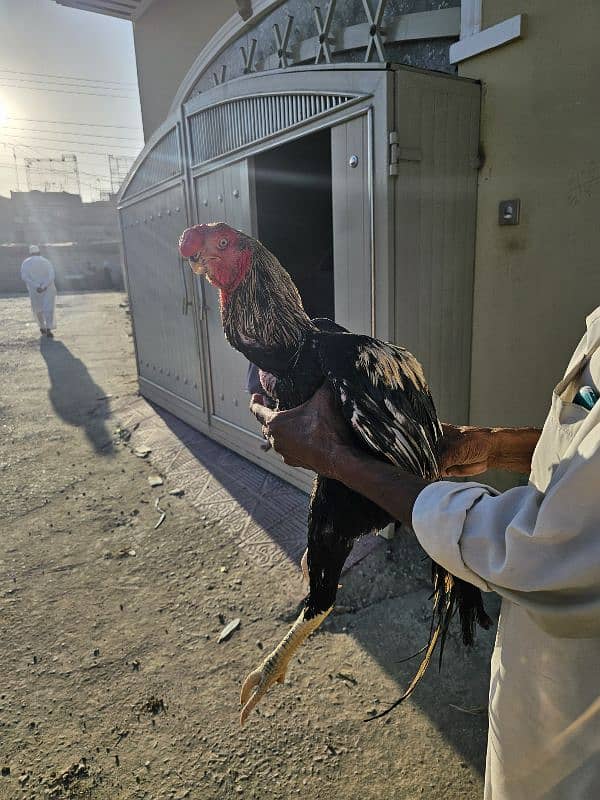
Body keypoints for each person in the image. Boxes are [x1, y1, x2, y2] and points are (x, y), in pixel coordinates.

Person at [250, 307, 600, 800]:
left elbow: (541, 554)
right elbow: (585, 447)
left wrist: (333, 457)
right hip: (538, 667)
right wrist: (497, 447)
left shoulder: (344, 355)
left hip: (579, 718)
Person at [20, 245, 57, 338]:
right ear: (39, 252)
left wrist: (36, 286)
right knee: (48, 309)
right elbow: (51, 275)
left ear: (30, 253)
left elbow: (24, 277)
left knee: (37, 309)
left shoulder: (26, 263)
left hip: (34, 291)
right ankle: (49, 328)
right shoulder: (46, 261)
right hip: (48, 289)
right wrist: (44, 286)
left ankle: (42, 327)